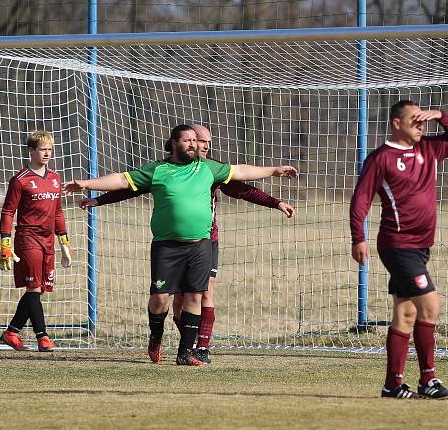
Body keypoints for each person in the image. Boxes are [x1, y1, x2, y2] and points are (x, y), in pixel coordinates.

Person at [63, 124, 297, 366]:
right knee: (160, 299)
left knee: (196, 296)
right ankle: (156, 336)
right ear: (174, 143)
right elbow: (123, 181)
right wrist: (88, 185)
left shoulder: (209, 168)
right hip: (167, 246)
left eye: (196, 141)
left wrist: (273, 171)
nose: (194, 145)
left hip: (201, 244)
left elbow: (241, 173)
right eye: (188, 140)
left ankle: (187, 353)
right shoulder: (158, 170)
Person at [350, 100, 448, 400]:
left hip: (419, 247)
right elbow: (360, 200)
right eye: (414, 120)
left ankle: (392, 386)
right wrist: (358, 238)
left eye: (423, 120)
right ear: (396, 123)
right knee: (431, 305)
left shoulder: (428, 148)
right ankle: (428, 380)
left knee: (406, 314)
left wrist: (441, 115)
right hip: (398, 245)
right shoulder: (382, 158)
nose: (421, 125)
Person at [0, 130, 72, 352]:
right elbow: (8, 212)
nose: (47, 153)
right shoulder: (20, 180)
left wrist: (64, 242)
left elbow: (58, 212)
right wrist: (5, 243)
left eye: (49, 149)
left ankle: (11, 332)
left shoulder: (55, 179)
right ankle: (43, 337)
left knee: (38, 291)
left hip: (47, 240)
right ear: (31, 150)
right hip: (27, 238)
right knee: (33, 287)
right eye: (42, 149)